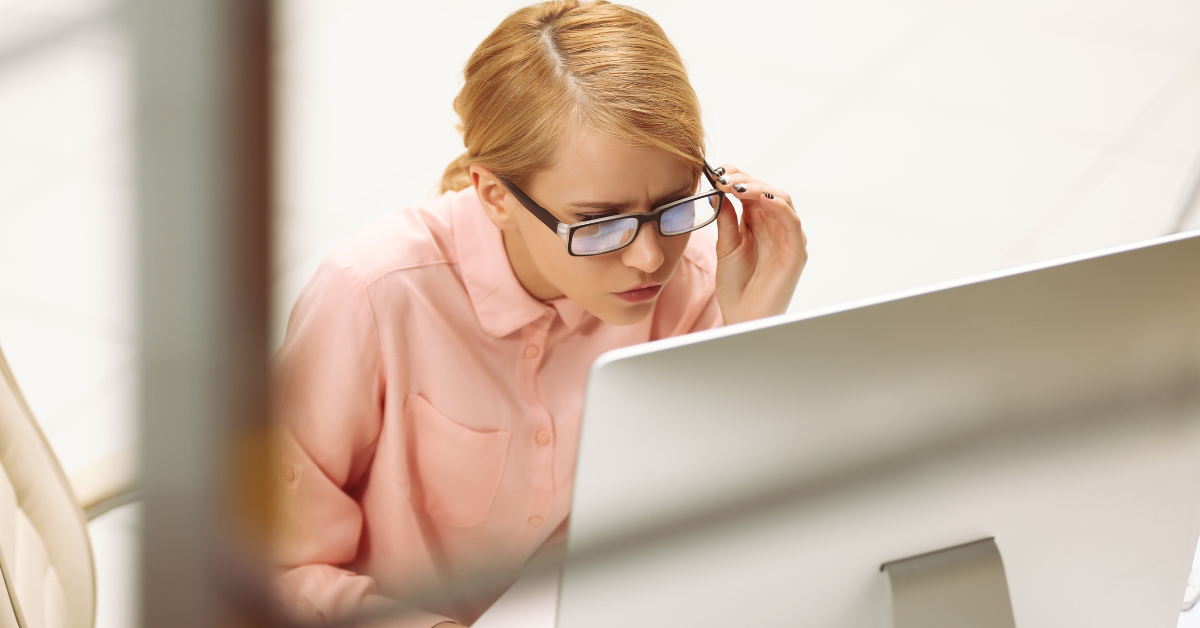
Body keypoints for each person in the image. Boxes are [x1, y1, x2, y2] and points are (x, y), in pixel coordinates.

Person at [269, 1, 807, 626]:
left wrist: (749, 335)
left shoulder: (696, 282)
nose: (648, 258)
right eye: (601, 224)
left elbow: (716, 535)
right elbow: (278, 570)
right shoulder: (374, 294)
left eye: (675, 205)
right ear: (495, 195)